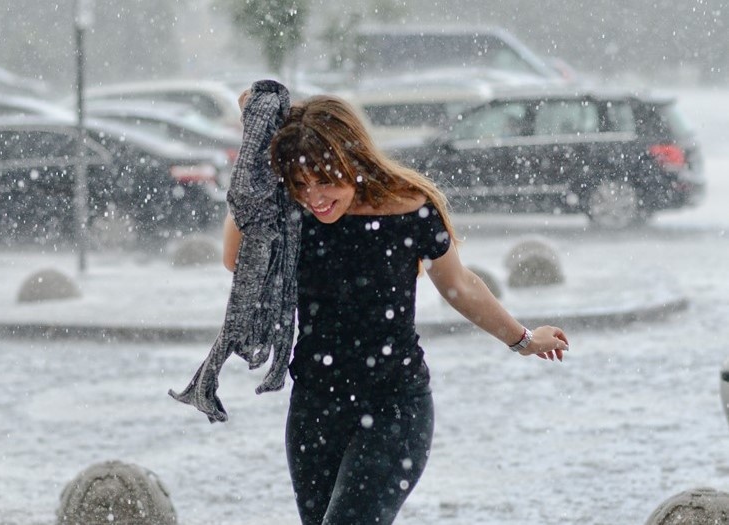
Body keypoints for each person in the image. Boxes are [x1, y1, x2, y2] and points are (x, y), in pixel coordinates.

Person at [222, 92, 570, 525]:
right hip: (315, 407)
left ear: (352, 160)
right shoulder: (292, 214)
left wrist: (523, 339)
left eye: (325, 180)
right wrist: (257, 155)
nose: (315, 197)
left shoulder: (410, 209)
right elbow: (236, 259)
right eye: (300, 184)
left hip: (395, 406)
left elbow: (459, 286)